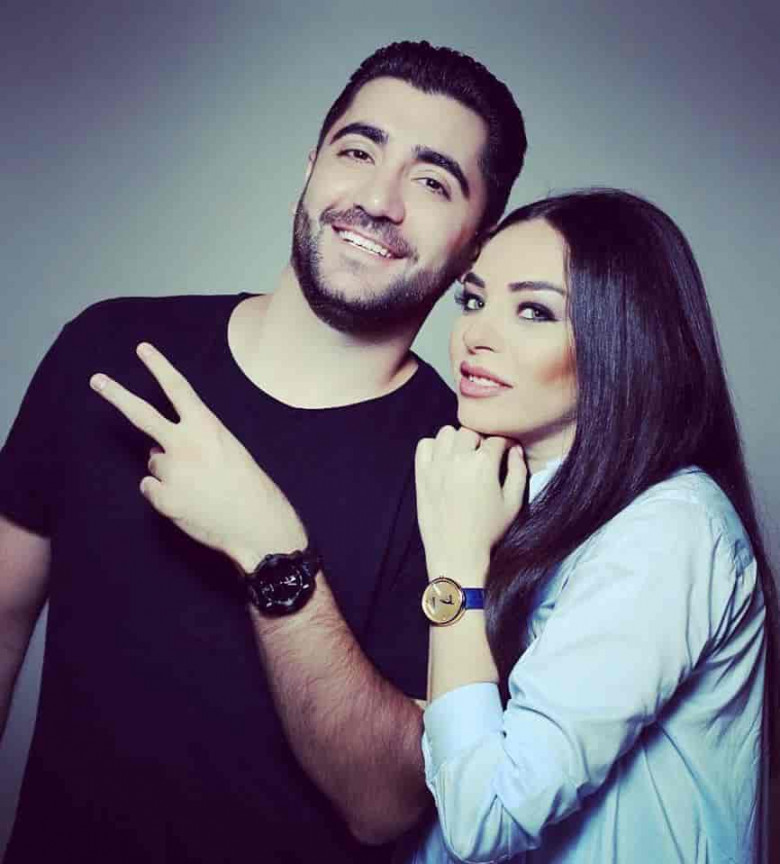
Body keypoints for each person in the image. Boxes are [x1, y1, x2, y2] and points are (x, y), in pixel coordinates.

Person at [0, 41, 527, 863]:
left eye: (432, 181)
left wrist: (271, 548)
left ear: (475, 247)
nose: (378, 200)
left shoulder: (465, 471)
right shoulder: (109, 348)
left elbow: (385, 804)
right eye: (358, 151)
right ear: (311, 169)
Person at [411, 189, 778, 862]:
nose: (475, 335)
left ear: (621, 340)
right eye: (473, 299)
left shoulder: (670, 529)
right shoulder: (506, 502)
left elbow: (486, 816)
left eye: (533, 311)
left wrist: (455, 570)